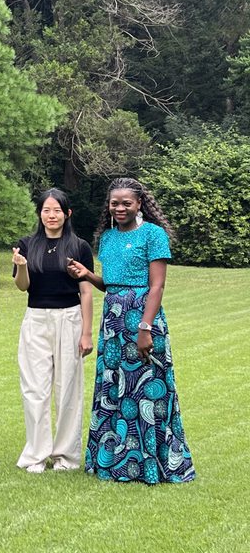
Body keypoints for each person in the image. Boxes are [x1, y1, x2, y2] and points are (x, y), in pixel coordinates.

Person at [66, 177, 195, 484]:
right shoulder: (107, 238)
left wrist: (145, 328)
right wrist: (87, 275)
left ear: (140, 204)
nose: (120, 208)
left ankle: (151, 464)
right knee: (115, 388)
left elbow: (157, 285)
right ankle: (114, 463)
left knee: (147, 388)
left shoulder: (153, 234)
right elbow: (111, 285)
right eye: (114, 203)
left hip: (142, 318)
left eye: (126, 203)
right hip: (113, 321)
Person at [11, 188, 94, 473]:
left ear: (67, 213)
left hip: (70, 319)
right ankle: (36, 454)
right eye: (46, 210)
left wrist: (86, 333)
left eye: (57, 210)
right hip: (36, 319)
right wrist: (21, 266)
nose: (51, 215)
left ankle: (66, 457)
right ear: (40, 214)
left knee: (68, 388)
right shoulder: (27, 244)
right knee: (35, 388)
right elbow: (23, 286)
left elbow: (86, 291)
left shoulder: (79, 246)